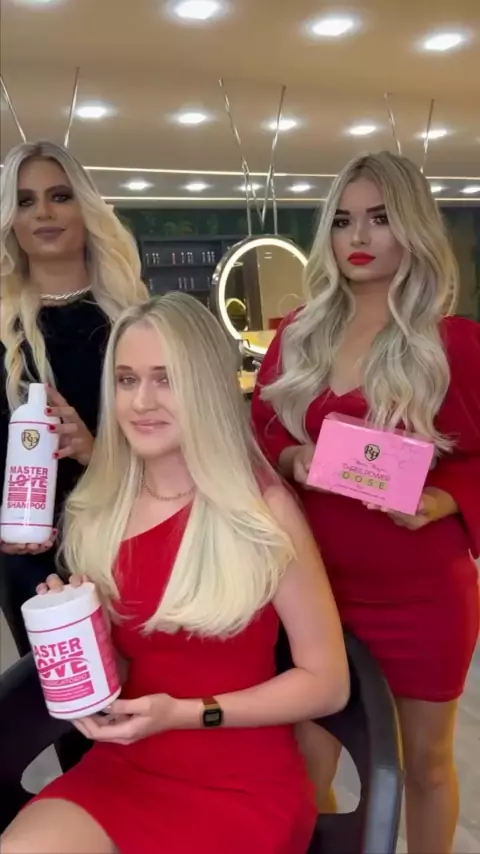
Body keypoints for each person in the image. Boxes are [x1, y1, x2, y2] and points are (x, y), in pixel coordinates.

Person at [1, 293, 349, 854]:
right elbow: (124, 668)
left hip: (239, 780)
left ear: (205, 387)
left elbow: (328, 683)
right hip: (125, 767)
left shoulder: (262, 512)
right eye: (127, 380)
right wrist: (80, 638)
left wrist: (186, 714)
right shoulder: (97, 509)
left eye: (166, 379)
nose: (142, 401)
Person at [251, 151, 480, 854]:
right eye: (343, 220)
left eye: (380, 218)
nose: (358, 236)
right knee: (305, 762)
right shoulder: (299, 334)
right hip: (312, 587)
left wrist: (445, 501)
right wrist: (292, 458)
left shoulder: (454, 344)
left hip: (422, 592)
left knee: (426, 764)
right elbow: (258, 431)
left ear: (413, 228)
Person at [0, 139, 147, 657]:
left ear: (86, 207)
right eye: (25, 201)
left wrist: (95, 451)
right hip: (29, 561)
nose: (43, 212)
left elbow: (186, 449)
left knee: (147, 682)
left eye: (59, 196)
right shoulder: (3, 330)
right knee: (66, 695)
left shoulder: (133, 322)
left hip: (129, 536)